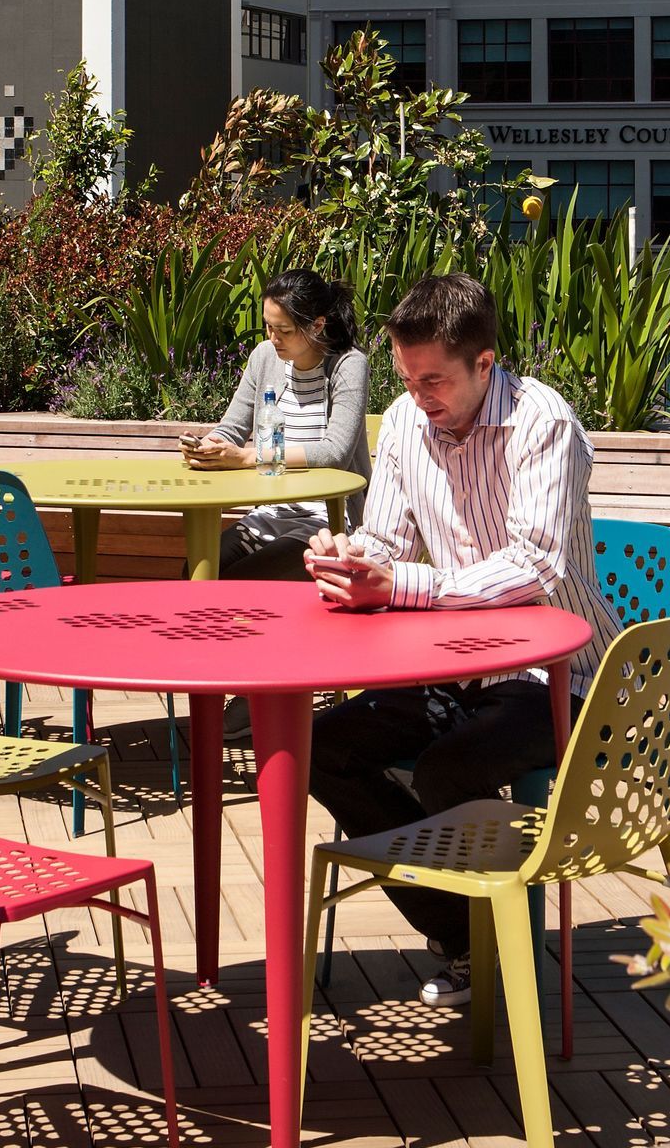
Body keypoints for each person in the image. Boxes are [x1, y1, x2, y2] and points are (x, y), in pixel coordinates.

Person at [301, 271, 618, 1009]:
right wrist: (348, 557)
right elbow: (385, 535)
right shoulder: (408, 421)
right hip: (453, 670)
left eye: (434, 380)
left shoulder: (544, 424)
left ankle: (492, 940)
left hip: (561, 678)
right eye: (408, 379)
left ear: (486, 364)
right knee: (321, 746)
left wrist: (402, 586)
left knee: (448, 771)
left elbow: (538, 564)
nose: (418, 397)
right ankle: (472, 935)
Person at [188, 269, 371, 578]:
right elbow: (232, 427)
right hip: (270, 512)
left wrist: (251, 457)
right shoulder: (265, 357)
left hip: (326, 520)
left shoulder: (348, 364)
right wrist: (208, 445)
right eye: (268, 326)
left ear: (317, 325)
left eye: (283, 330)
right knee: (198, 570)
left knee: (241, 581)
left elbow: (335, 452)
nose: (272, 338)